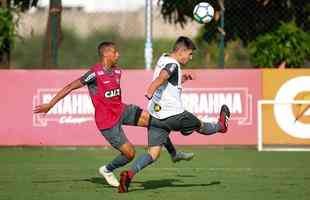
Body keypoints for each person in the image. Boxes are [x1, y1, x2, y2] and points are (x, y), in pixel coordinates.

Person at [33, 41, 194, 188]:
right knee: (130, 154)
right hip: (107, 121)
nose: (118, 55)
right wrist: (50, 104)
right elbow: (69, 86)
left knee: (157, 121)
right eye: (115, 52)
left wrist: (180, 80)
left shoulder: (117, 71)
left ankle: (173, 154)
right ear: (106, 54)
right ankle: (107, 169)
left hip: (122, 110)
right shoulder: (94, 74)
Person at [118, 36, 231, 193]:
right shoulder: (173, 64)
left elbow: (168, 82)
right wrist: (151, 88)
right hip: (175, 115)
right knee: (201, 126)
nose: (190, 58)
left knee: (153, 153)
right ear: (182, 51)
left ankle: (129, 175)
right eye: (190, 54)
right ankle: (221, 126)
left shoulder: (163, 58)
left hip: (156, 117)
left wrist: (181, 79)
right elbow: (163, 77)